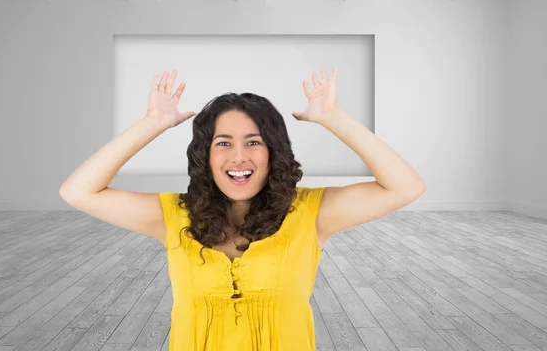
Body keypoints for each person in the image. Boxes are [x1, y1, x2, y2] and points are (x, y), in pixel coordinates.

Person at [60, 68, 426, 350]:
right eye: (223, 143)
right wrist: (152, 123)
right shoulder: (173, 214)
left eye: (254, 142)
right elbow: (78, 192)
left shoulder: (313, 212)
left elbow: (406, 186)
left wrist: (332, 116)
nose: (239, 157)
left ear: (273, 152)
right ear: (206, 155)